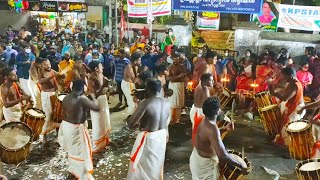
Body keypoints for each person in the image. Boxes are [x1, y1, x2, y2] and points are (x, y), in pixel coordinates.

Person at [190, 97, 248, 179]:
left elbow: (208, 136)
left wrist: (224, 128)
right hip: (204, 165)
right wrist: (241, 165)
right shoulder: (212, 128)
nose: (221, 110)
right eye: (219, 108)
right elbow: (222, 156)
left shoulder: (205, 120)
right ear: (217, 111)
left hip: (197, 159)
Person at [126, 78, 171, 180]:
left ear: (148, 89)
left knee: (142, 167)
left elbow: (131, 124)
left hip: (148, 139)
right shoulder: (167, 102)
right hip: (161, 136)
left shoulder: (146, 103)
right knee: (156, 165)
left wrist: (137, 105)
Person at [58, 80, 100, 180]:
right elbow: (97, 108)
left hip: (66, 126)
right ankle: (83, 175)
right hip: (75, 129)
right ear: (83, 88)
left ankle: (73, 169)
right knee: (80, 151)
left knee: (73, 151)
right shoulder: (82, 99)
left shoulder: (66, 97)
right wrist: (93, 96)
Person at [269, 66, 305, 145]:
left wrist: (274, 93)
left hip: (298, 109)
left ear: (291, 76)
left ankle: (290, 146)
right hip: (292, 106)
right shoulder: (291, 82)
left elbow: (285, 98)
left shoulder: (295, 85)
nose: (284, 78)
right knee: (283, 123)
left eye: (285, 76)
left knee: (288, 127)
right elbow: (285, 92)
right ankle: (283, 142)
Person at [87, 61, 112, 153]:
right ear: (96, 69)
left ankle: (105, 141)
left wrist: (108, 86)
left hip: (103, 100)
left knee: (105, 121)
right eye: (101, 66)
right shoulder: (91, 79)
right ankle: (97, 146)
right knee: (98, 124)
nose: (103, 68)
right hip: (96, 102)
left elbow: (105, 87)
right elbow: (93, 96)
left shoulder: (101, 75)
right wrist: (103, 87)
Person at [38, 59, 64, 144]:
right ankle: (44, 135)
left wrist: (62, 75)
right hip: (46, 95)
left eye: (49, 63)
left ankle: (58, 134)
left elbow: (61, 76)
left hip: (55, 94)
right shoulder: (41, 72)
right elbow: (41, 81)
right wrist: (51, 76)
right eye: (46, 64)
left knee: (57, 115)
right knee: (48, 115)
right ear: (42, 65)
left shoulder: (52, 71)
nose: (48, 65)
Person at [190, 73, 214, 145]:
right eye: (211, 80)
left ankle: (197, 146)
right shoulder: (204, 89)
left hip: (195, 110)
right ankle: (199, 147)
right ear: (205, 81)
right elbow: (209, 103)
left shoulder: (199, 86)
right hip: (200, 112)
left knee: (196, 130)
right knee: (200, 132)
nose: (213, 82)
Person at [167, 52, 187, 123]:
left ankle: (177, 120)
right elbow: (168, 78)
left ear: (179, 59)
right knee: (172, 104)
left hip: (180, 86)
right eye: (174, 59)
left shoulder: (182, 67)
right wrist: (178, 76)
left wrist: (185, 81)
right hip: (173, 86)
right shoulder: (170, 67)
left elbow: (185, 77)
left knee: (179, 104)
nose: (175, 61)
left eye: (177, 59)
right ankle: (171, 120)